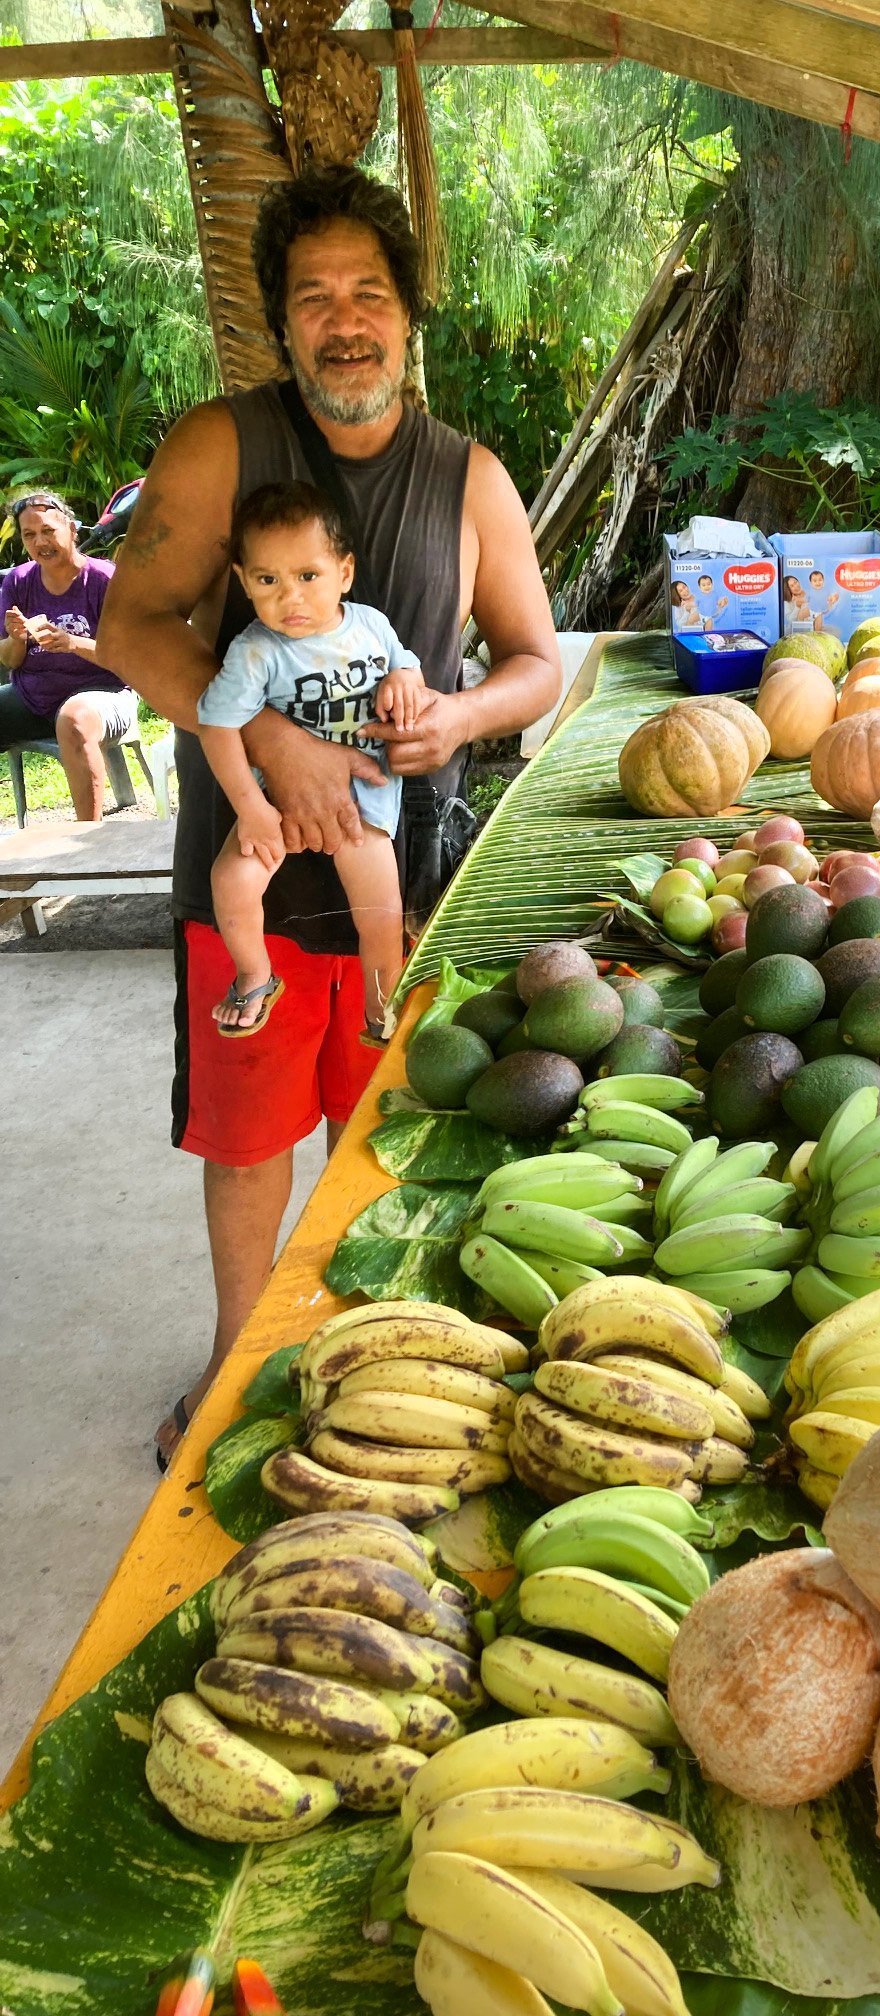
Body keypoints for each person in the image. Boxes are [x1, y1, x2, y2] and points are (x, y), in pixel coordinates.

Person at [96, 166, 560, 1469]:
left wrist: (459, 719)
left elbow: (533, 658)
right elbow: (128, 624)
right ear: (282, 325)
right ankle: (240, 1356)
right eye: (315, 297)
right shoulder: (220, 444)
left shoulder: (470, 476)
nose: (344, 318)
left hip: (404, 892)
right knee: (246, 1143)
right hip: (245, 867)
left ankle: (379, 1361)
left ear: (411, 315)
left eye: (369, 291)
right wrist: (272, 736)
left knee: (390, 1136)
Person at [200, 480, 426, 1039]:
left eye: (308, 576)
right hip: (277, 803)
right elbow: (217, 726)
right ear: (242, 581)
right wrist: (251, 810)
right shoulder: (255, 650)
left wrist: (404, 678)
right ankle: (254, 975)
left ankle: (381, 1006)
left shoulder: (371, 625)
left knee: (380, 911)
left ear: (344, 573)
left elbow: (408, 664)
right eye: (267, 580)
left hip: (363, 803)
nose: (290, 597)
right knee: (230, 879)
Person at [0, 491, 135, 821]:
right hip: (34, 697)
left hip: (105, 697)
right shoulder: (18, 581)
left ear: (72, 530)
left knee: (73, 719)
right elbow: (10, 661)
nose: (40, 542)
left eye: (48, 530)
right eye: (30, 535)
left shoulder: (104, 579)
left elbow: (131, 658)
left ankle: (87, 841)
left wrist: (73, 643)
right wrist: (17, 639)